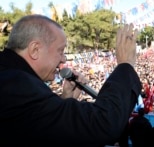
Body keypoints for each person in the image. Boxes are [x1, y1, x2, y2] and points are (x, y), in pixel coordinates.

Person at [0, 15, 141, 146]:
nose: (64, 59)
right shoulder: (18, 85)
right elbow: (103, 123)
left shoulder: (10, 77)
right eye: (60, 51)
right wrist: (125, 65)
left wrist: (63, 101)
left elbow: (35, 123)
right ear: (35, 50)